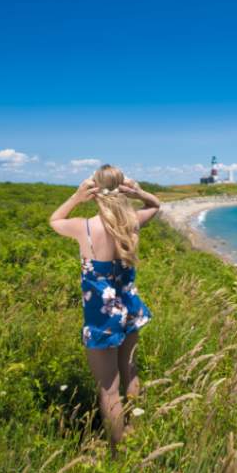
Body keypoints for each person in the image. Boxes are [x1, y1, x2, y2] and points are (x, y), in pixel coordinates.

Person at [48, 164, 161, 457]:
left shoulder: (84, 227)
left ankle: (117, 452)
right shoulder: (133, 221)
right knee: (130, 371)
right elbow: (156, 205)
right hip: (130, 311)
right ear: (122, 189)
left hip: (102, 320)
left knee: (108, 390)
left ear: (95, 190)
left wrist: (76, 196)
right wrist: (136, 192)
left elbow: (54, 220)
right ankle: (134, 430)